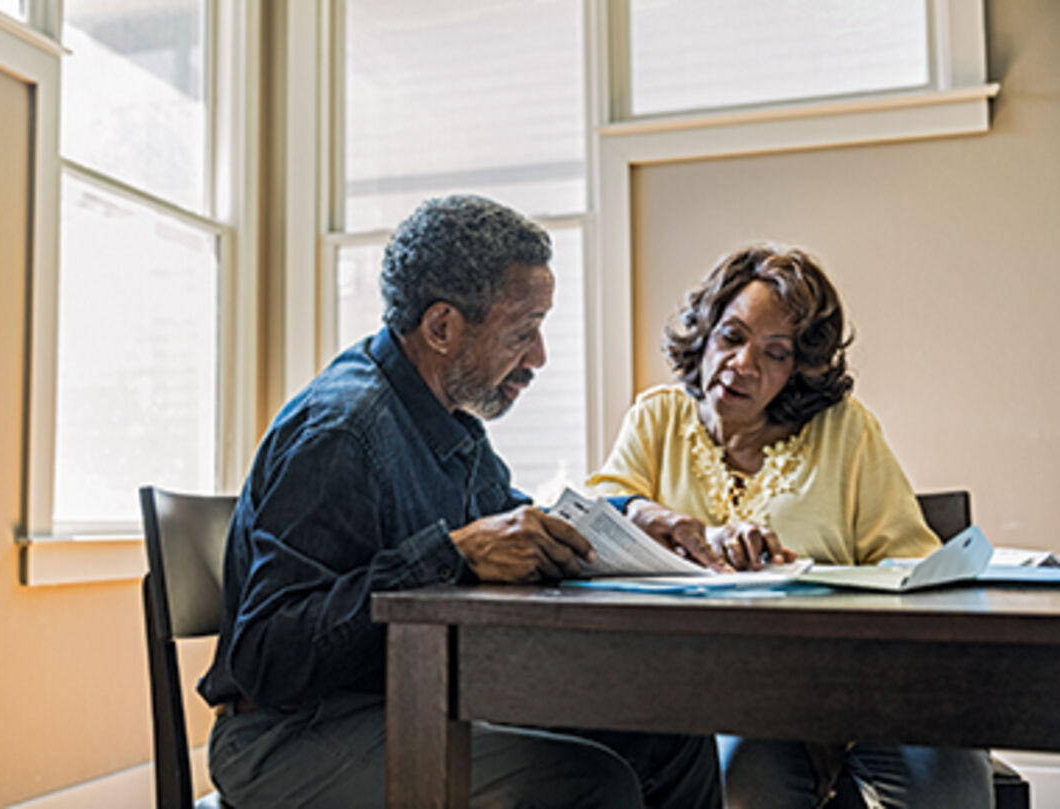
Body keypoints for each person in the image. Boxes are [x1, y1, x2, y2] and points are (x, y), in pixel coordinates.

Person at [197, 195, 722, 809]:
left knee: (671, 734)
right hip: (287, 736)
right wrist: (451, 556)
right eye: (523, 331)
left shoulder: (448, 422)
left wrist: (637, 520)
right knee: (588, 784)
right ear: (442, 326)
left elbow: (523, 526)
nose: (539, 357)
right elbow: (266, 655)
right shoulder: (341, 431)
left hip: (413, 699)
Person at [587, 244, 993, 809]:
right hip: (727, 698)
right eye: (731, 337)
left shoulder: (845, 430)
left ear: (798, 369)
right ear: (705, 332)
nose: (742, 365)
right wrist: (647, 511)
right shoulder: (658, 416)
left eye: (774, 354)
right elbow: (599, 501)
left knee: (951, 786)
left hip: (863, 687)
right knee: (743, 785)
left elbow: (914, 566)